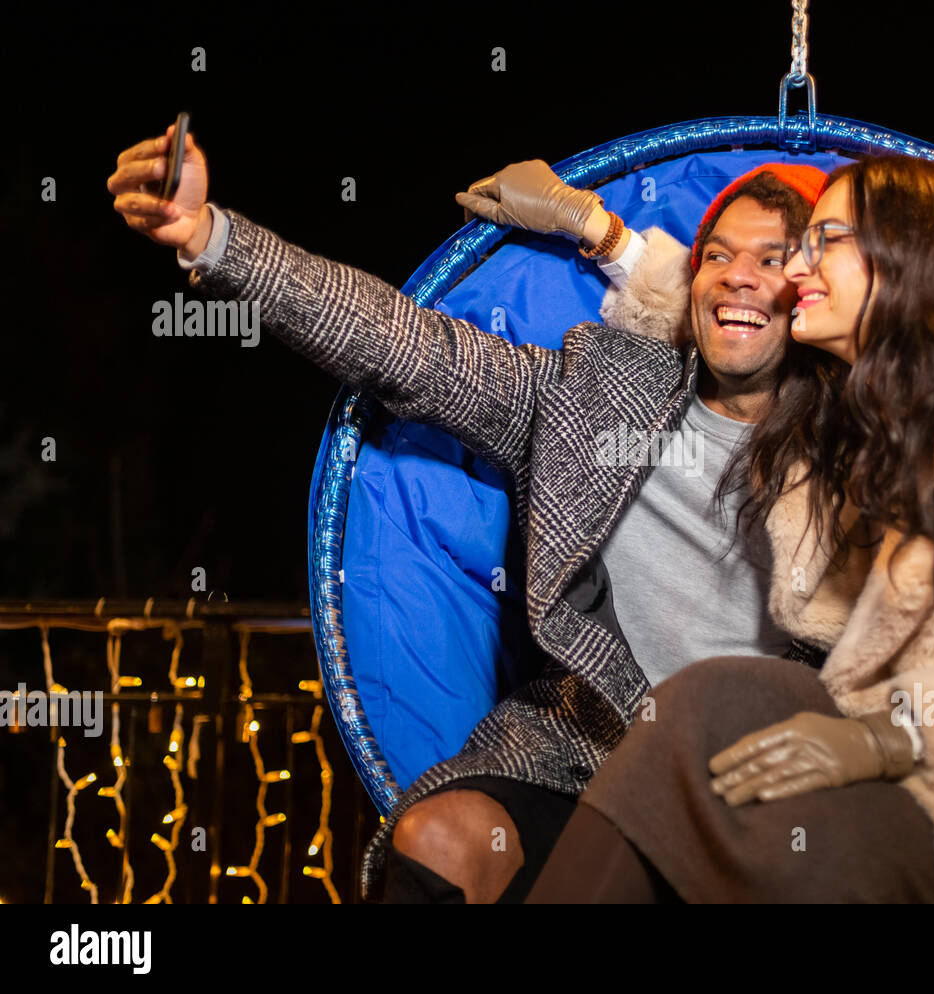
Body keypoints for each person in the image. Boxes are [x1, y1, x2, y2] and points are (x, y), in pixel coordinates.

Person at [106, 122, 837, 902]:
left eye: (770, 258)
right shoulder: (596, 388)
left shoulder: (872, 438)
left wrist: (605, 229)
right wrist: (211, 236)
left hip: (783, 787)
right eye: (716, 256)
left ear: (818, 291)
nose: (736, 277)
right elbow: (403, 346)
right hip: (592, 758)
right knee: (441, 840)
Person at [524, 154, 934, 903]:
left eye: (825, 241)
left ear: (911, 258)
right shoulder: (888, 408)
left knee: (712, 720)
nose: (794, 269)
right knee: (710, 706)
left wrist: (885, 739)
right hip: (886, 759)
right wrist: (594, 227)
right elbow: (723, 296)